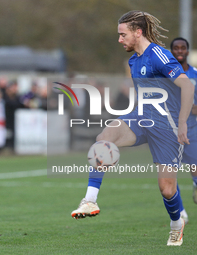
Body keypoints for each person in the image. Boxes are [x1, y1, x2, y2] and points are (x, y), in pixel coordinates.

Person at [71, 11, 196, 246]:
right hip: (141, 117)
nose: (120, 40)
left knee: (167, 189)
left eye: (123, 35)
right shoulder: (134, 60)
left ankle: (176, 223)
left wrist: (181, 124)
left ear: (138, 32)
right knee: (104, 136)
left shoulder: (159, 55)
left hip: (167, 127)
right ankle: (90, 199)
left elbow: (187, 87)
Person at [170, 37, 197, 205]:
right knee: (170, 170)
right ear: (171, 52)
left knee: (194, 165)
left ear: (187, 51)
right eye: (176, 48)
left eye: (183, 48)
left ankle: (195, 184)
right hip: (169, 128)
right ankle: (179, 211)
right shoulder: (166, 74)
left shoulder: (195, 74)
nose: (179, 51)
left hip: (192, 127)